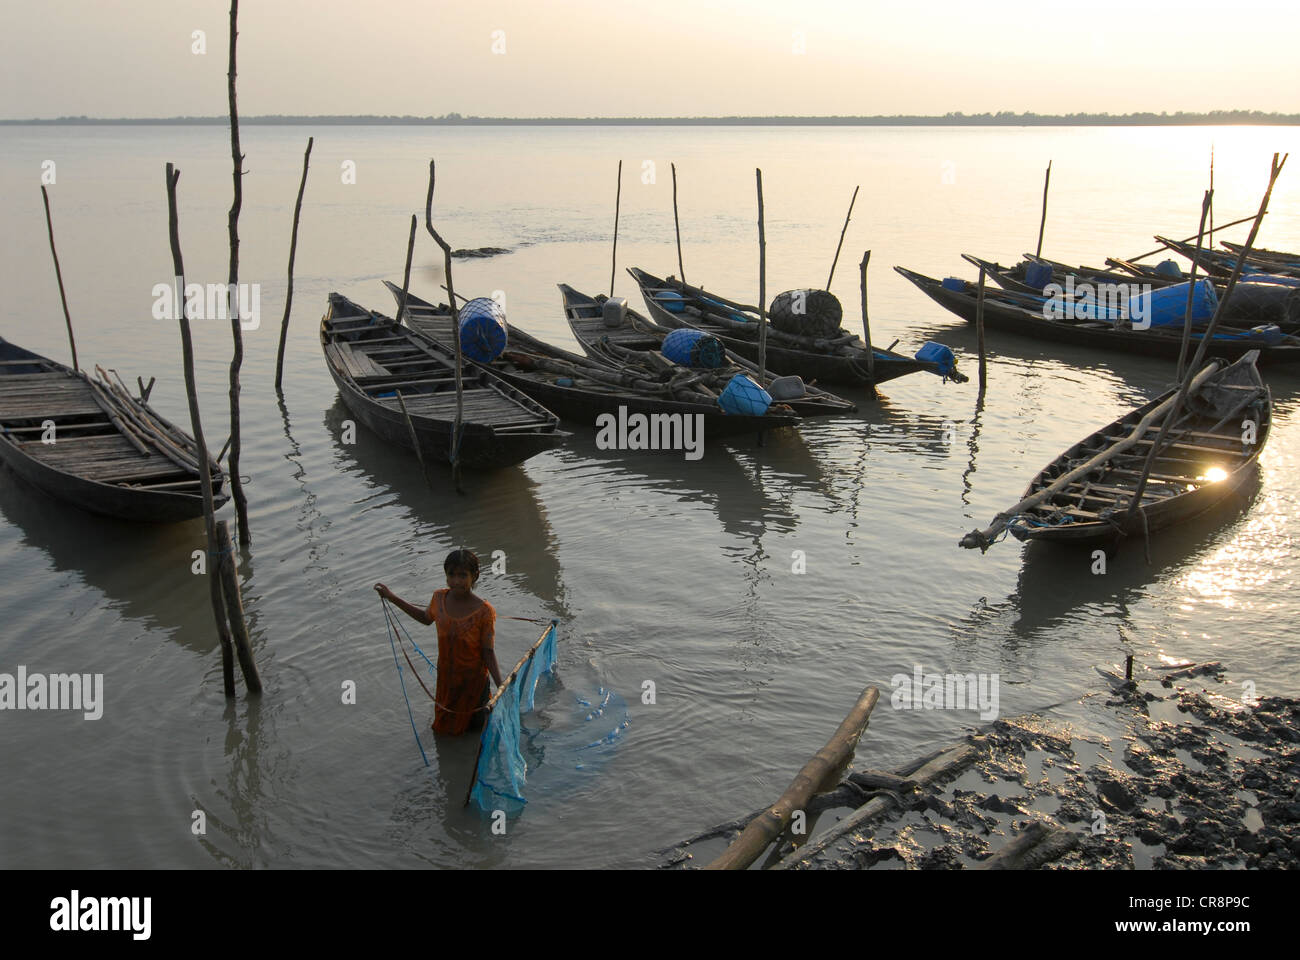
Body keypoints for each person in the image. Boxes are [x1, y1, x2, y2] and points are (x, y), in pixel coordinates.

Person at [375, 549, 503, 735]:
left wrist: (502, 686)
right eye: (451, 575)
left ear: (475, 576)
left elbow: (488, 652)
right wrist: (392, 597)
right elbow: (426, 618)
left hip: (473, 685)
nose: (456, 581)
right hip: (446, 680)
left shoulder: (484, 612)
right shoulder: (439, 598)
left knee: (475, 733)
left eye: (462, 575)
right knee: (443, 729)